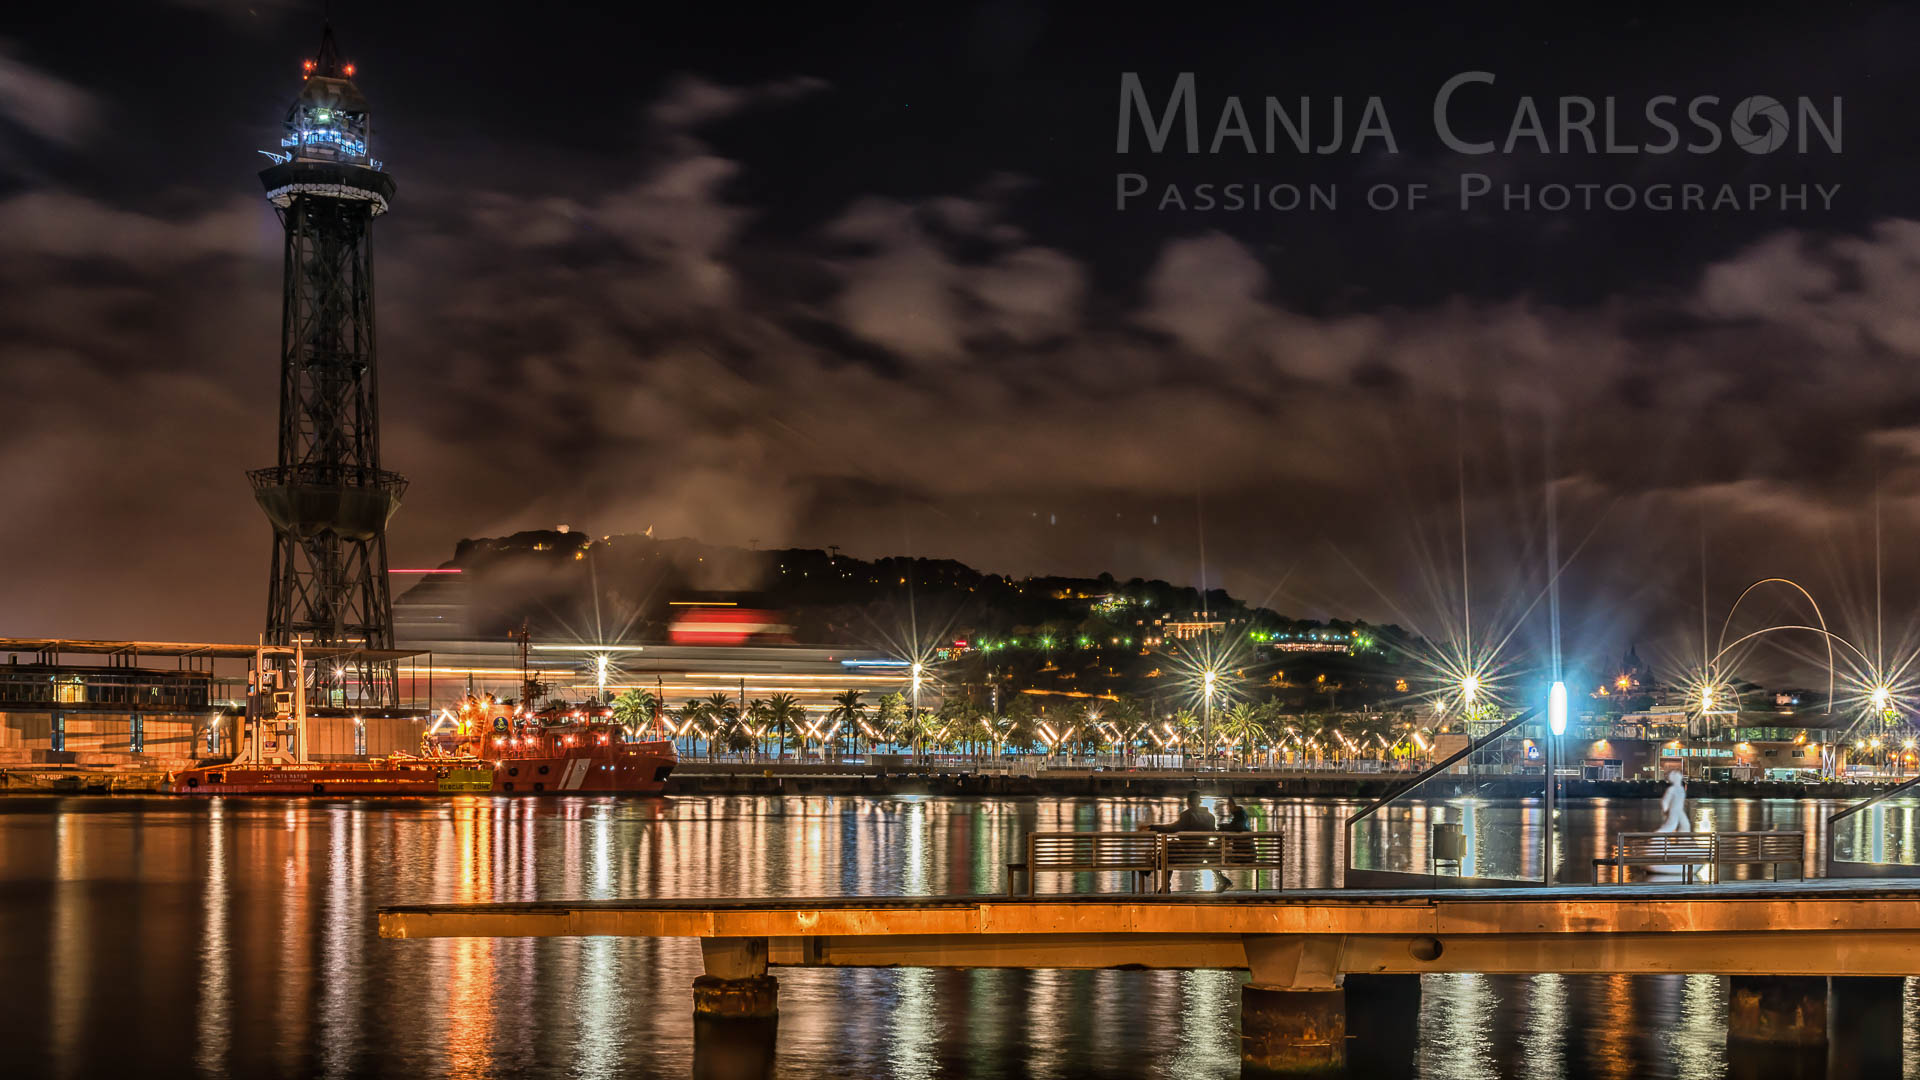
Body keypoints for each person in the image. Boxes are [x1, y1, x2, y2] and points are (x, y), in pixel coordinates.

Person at [1141, 791, 1217, 891]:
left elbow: (1171, 828)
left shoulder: (1186, 815)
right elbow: (1213, 832)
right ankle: (1163, 884)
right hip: (1201, 856)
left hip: (1186, 856)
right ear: (1200, 801)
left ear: (1188, 802)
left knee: (1169, 848)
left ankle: (1155, 872)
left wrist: (1152, 827)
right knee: (1171, 849)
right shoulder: (1211, 817)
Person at [1212, 798, 1250, 891]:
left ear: (1233, 805)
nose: (1229, 809)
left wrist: (1223, 827)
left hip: (1243, 856)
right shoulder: (1242, 817)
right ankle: (1223, 880)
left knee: (1212, 856)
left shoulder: (1239, 818)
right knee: (1214, 855)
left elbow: (1237, 827)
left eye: (1229, 806)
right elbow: (1235, 828)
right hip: (1248, 854)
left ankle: (1223, 881)